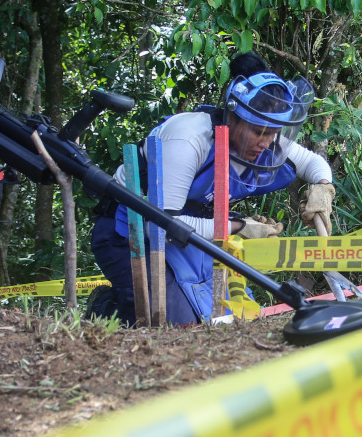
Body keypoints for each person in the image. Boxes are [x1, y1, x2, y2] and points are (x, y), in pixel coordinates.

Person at [88, 52, 337, 325]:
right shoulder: (189, 139)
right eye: (258, 132)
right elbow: (158, 225)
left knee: (231, 316)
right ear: (234, 118)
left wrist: (323, 190)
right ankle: (106, 307)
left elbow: (312, 162)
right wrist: (239, 227)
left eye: (273, 133)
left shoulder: (268, 140)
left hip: (192, 233)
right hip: (130, 231)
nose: (266, 142)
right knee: (177, 324)